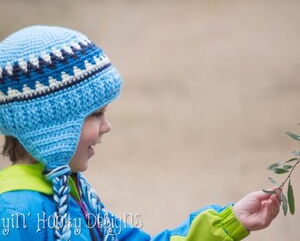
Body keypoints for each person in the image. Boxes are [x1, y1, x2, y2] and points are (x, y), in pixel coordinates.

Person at [0, 25, 280, 241]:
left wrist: (228, 223)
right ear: (51, 126)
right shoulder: (16, 212)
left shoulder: (74, 195)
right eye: (95, 114)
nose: (106, 126)